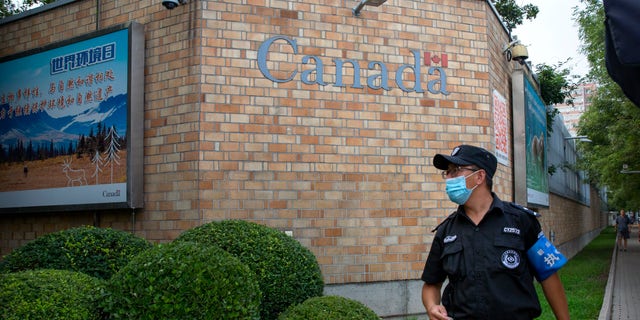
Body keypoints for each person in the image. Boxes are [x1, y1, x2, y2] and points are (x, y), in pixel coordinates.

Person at [421, 145, 570, 320]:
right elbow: (432, 284)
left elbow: (548, 274)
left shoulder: (521, 220)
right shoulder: (446, 230)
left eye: (456, 170)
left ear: (479, 176)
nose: (449, 178)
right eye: (448, 172)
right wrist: (432, 306)